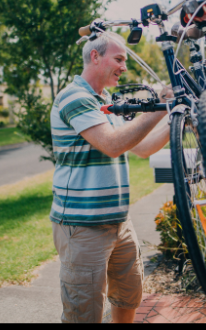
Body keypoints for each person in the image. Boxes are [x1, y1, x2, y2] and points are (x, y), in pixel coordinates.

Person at [49, 32, 172, 323]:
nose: (124, 67)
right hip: (83, 226)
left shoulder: (105, 101)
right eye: (118, 59)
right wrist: (159, 104)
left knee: (128, 296)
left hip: (119, 223)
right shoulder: (75, 98)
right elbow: (113, 144)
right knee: (84, 312)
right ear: (95, 56)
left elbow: (140, 147)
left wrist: (176, 119)